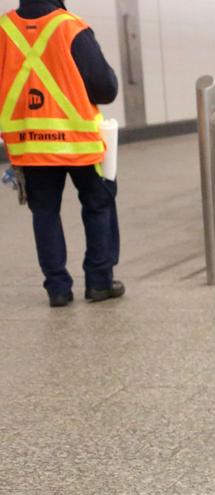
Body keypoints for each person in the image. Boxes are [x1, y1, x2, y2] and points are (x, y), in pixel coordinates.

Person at [0, 0, 122, 307]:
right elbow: (105, 88)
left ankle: (57, 289)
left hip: (29, 143)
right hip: (80, 142)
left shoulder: (4, 30)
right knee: (98, 204)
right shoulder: (70, 26)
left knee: (44, 212)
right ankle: (99, 283)